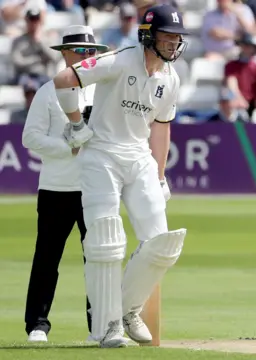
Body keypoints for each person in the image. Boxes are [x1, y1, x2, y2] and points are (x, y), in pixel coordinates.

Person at [51, 4, 188, 348]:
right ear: (148, 35)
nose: (173, 43)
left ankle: (128, 309)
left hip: (138, 157)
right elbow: (64, 79)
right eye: (167, 36)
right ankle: (107, 327)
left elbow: (161, 129)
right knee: (106, 241)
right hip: (101, 155)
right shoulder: (121, 59)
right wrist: (76, 124)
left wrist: (159, 175)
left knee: (163, 244)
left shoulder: (170, 79)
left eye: (177, 38)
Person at [21, 25, 109, 343]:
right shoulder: (48, 91)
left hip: (96, 189)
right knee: (47, 257)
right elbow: (30, 136)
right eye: (79, 52)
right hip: (57, 188)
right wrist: (67, 148)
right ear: (65, 53)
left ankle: (99, 326)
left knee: (99, 259)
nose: (85, 57)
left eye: (90, 52)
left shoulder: (103, 90)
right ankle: (37, 325)